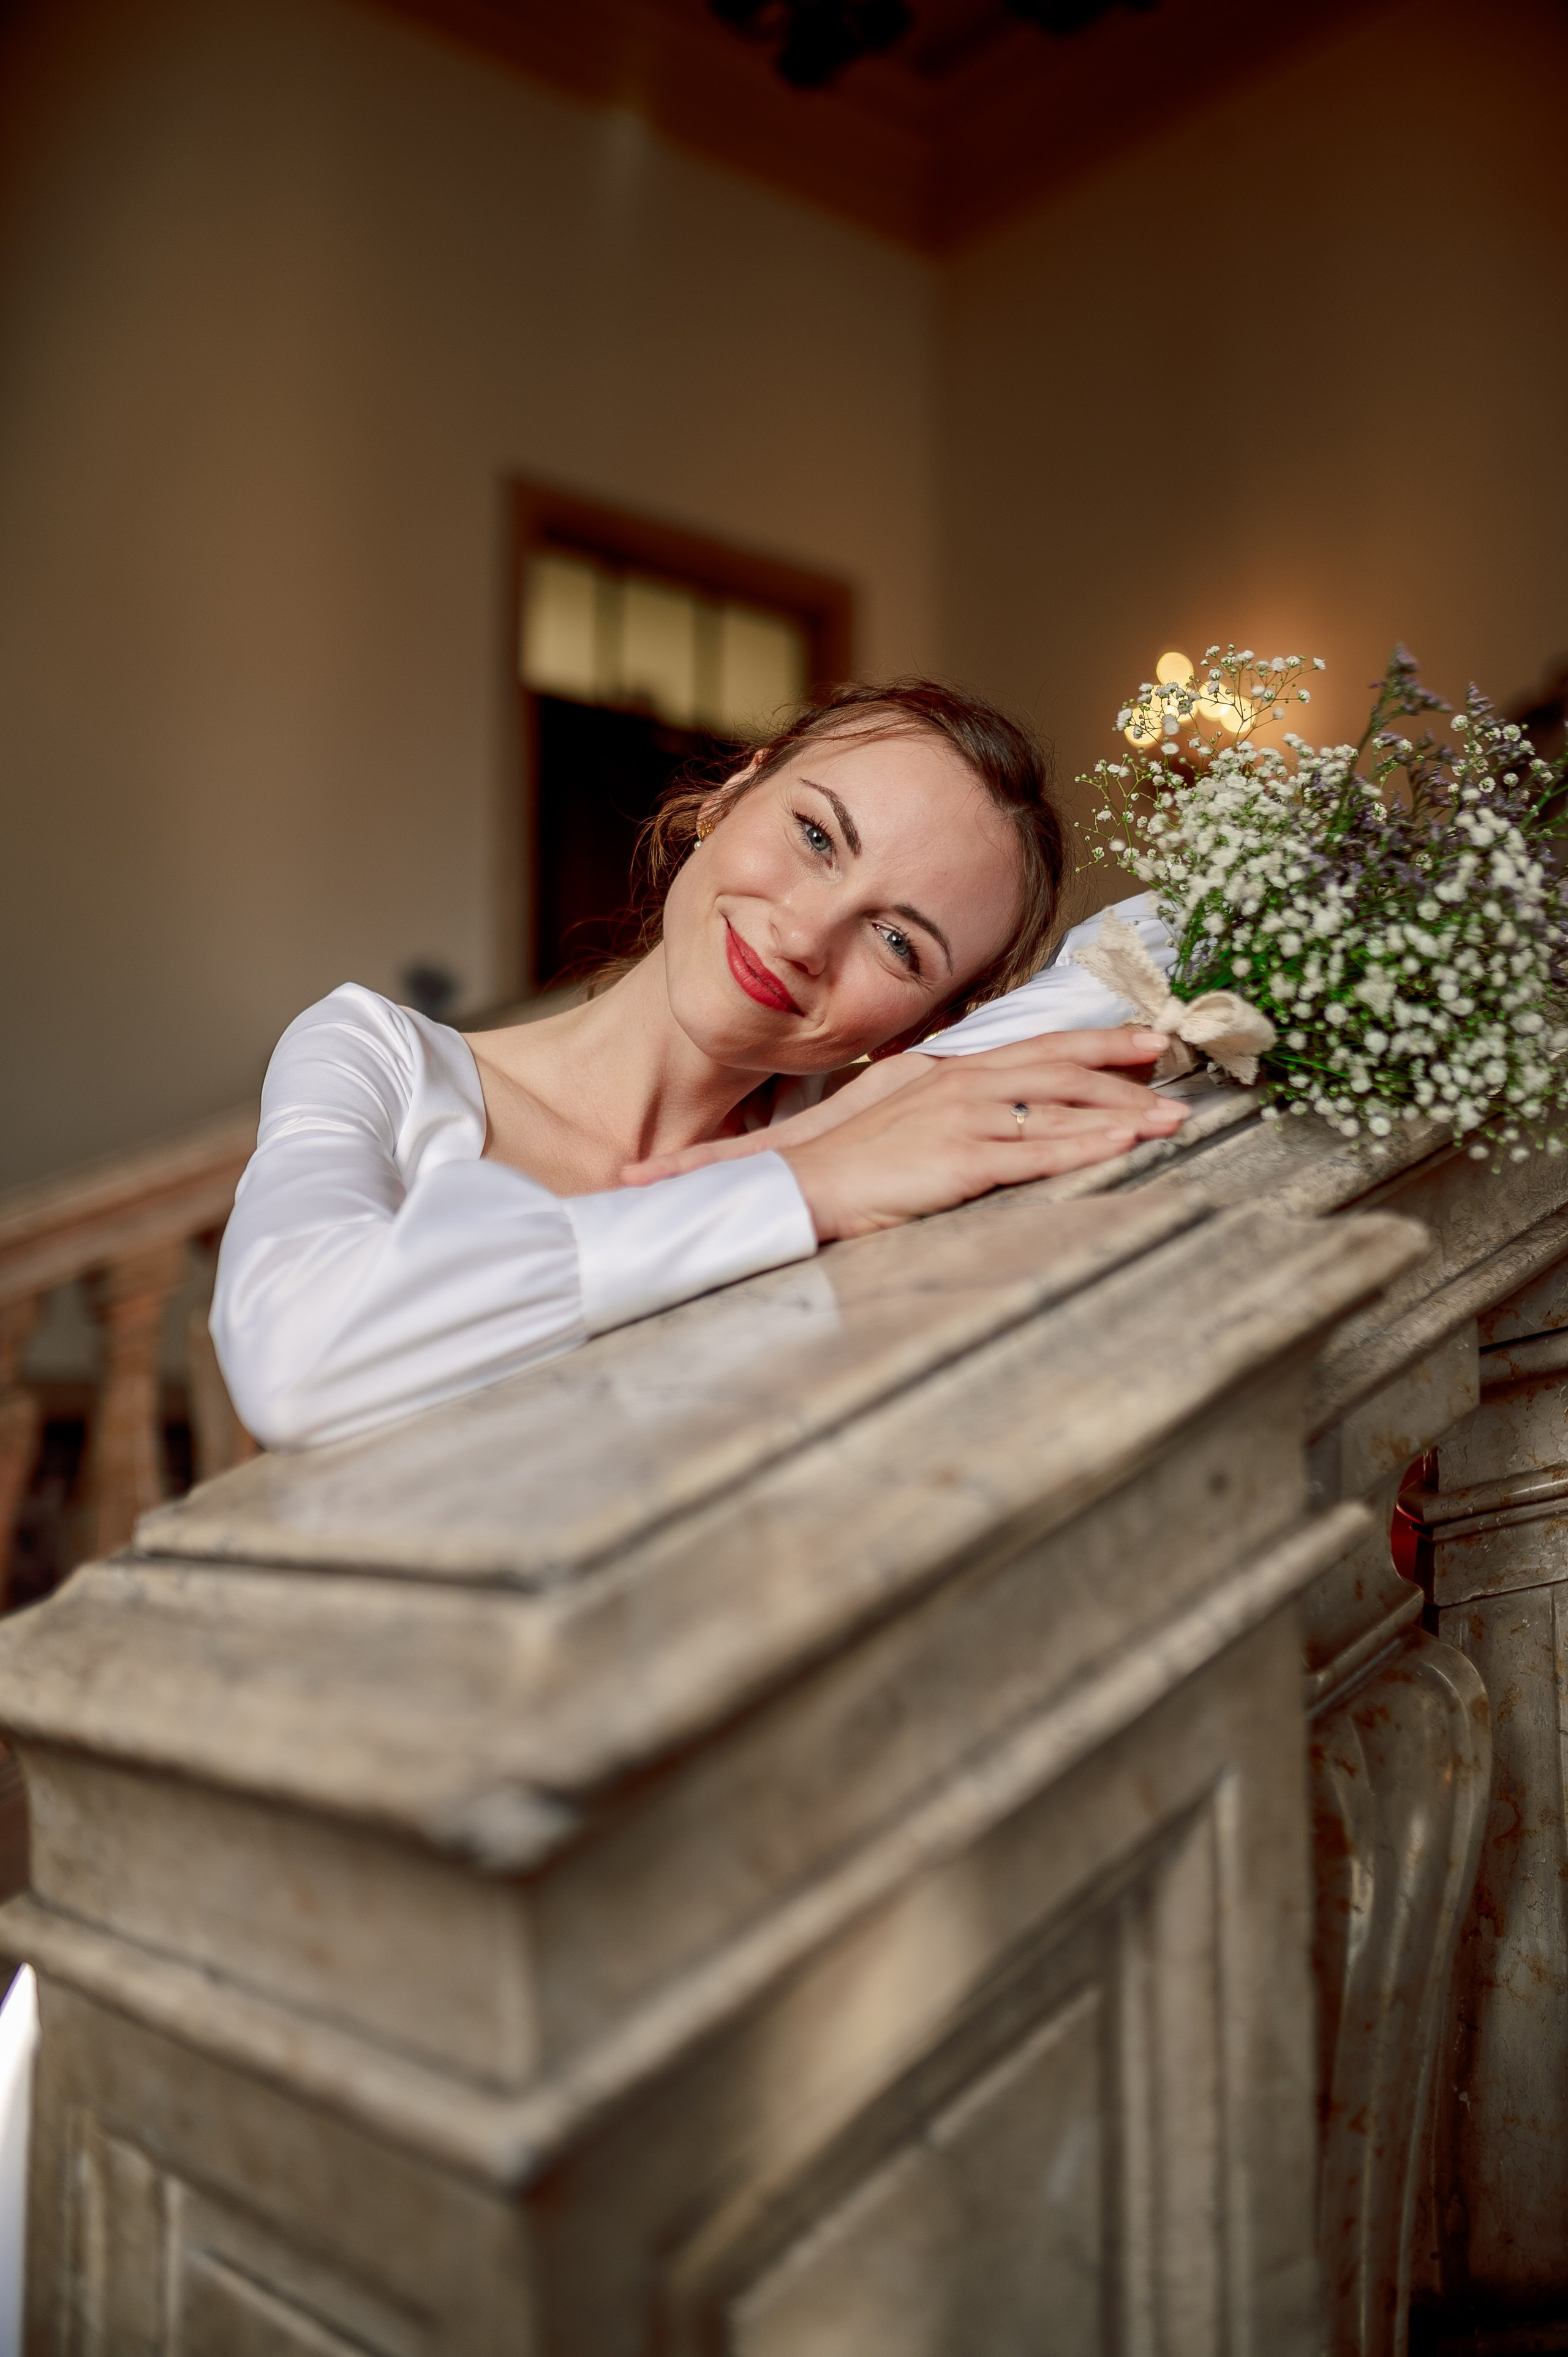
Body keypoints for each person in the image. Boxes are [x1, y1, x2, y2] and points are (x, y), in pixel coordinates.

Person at [212, 682, 1182, 1451]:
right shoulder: (372, 1058)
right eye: (815, 836)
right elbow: (295, 1362)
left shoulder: (890, 1113)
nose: (805, 933)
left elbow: (1201, 920)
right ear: (731, 793)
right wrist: (796, 1183)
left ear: (923, 1026)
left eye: (896, 943)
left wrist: (869, 1111)